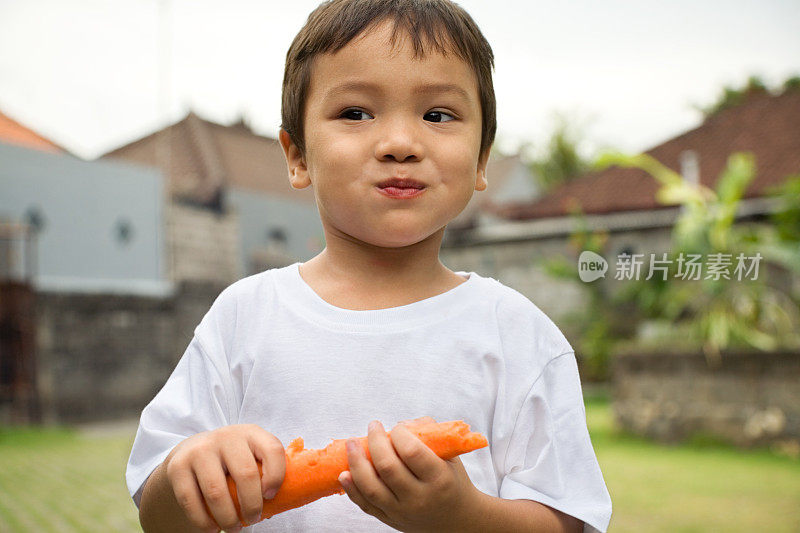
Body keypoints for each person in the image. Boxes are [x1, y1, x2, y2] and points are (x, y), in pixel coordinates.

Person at [126, 0, 613, 531]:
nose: (400, 144)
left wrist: (462, 516)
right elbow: (157, 511)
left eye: (438, 115)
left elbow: (567, 520)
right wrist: (189, 471)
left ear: (480, 160)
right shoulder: (245, 317)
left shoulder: (520, 336)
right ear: (297, 156)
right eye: (355, 113)